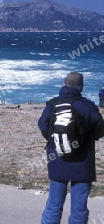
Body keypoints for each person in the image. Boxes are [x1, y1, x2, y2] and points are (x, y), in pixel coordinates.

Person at [38, 72, 104, 223]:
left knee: (53, 206)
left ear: (64, 83)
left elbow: (43, 126)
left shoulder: (52, 104)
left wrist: (54, 141)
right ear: (81, 87)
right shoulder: (88, 105)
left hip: (57, 159)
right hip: (83, 162)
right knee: (79, 209)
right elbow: (100, 129)